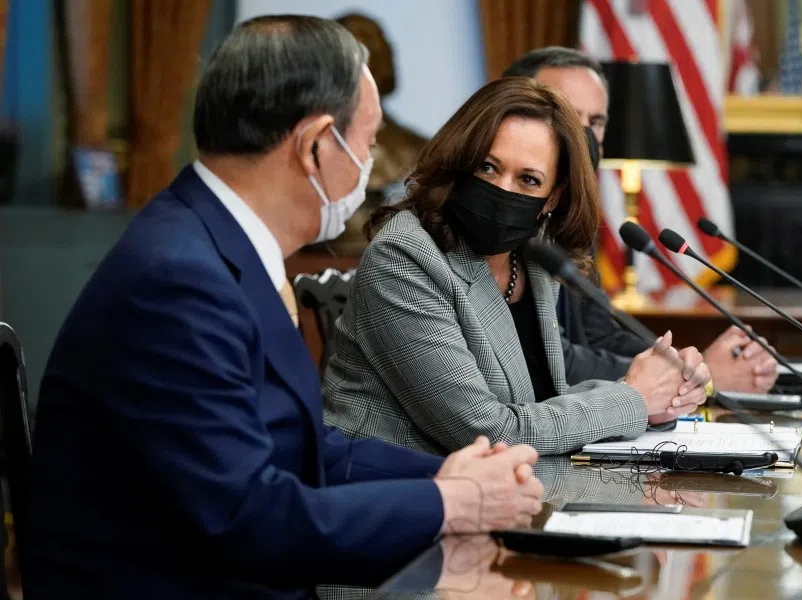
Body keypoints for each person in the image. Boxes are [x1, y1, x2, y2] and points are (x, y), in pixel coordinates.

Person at [22, 16, 545, 599]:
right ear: (316, 145)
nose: (370, 162)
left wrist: (454, 477)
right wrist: (450, 504)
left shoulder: (215, 245)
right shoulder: (179, 282)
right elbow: (247, 519)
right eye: (368, 142)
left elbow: (303, 448)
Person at [322, 76, 711, 457]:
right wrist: (632, 398)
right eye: (488, 167)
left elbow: (542, 394)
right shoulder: (405, 259)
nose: (503, 190)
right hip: (395, 481)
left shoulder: (532, 258)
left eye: (528, 179)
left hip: (501, 482)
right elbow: (490, 432)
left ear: (552, 198)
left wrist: (658, 392)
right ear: (459, 161)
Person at [502, 47, 779, 394]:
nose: (583, 135)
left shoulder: (572, 217)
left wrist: (687, 364)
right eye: (568, 116)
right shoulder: (504, 219)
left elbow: (600, 335)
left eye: (596, 122)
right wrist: (694, 378)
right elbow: (552, 361)